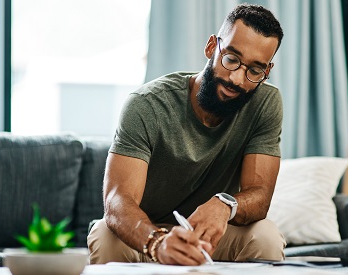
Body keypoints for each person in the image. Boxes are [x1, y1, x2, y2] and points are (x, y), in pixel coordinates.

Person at [88, 3, 285, 266]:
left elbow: (259, 195)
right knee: (105, 234)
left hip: (209, 236)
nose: (238, 79)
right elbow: (117, 200)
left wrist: (225, 204)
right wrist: (157, 242)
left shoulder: (265, 103)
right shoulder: (146, 104)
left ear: (266, 71)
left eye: (254, 70)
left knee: (266, 236)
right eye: (231, 59)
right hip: (147, 232)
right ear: (211, 47)